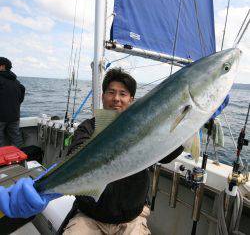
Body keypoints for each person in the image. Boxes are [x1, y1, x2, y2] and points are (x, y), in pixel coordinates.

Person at [0, 68, 183, 234]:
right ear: (102, 96)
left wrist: (187, 124)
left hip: (132, 218)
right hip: (89, 216)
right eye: (111, 92)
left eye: (123, 94)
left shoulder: (147, 128)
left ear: (131, 100)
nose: (116, 98)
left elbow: (169, 154)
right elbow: (77, 157)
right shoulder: (88, 127)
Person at [0, 57, 25, 147]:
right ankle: (18, 158)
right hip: (14, 116)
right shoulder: (17, 82)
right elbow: (20, 98)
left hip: (1, 117)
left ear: (2, 67)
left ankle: (2, 159)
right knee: (16, 139)